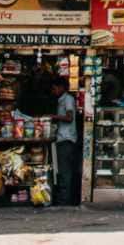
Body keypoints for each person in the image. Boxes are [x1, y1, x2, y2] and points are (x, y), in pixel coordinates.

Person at [51, 78, 77, 206]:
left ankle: (64, 200)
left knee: (65, 171)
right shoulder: (62, 100)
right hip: (62, 138)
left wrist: (53, 117)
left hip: (66, 140)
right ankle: (64, 197)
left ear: (61, 87)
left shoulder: (68, 99)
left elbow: (69, 117)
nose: (53, 91)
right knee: (62, 170)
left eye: (55, 88)